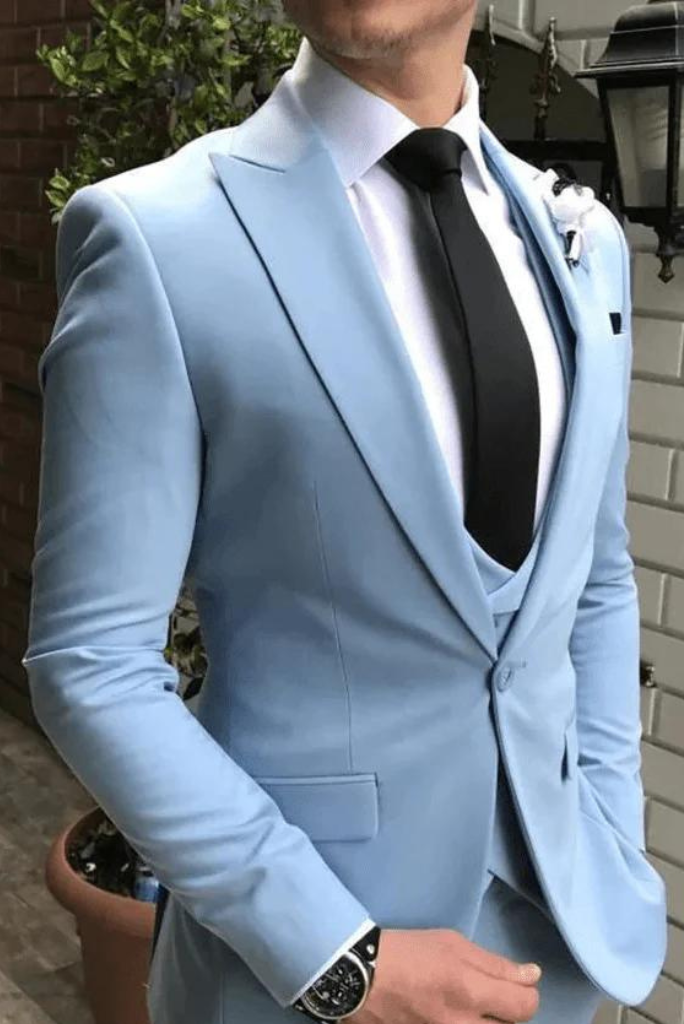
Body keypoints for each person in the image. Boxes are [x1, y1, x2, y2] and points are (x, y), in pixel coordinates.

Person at [22, 0, 668, 1022]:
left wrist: (608, 831)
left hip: (555, 950)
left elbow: (593, 579)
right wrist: (335, 955)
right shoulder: (158, 237)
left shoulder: (583, 242)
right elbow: (91, 660)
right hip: (293, 970)